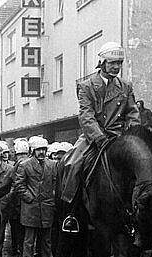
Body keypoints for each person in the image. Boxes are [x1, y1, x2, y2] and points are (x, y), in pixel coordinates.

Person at [60, 41, 141, 232]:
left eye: (119, 63)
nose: (116, 67)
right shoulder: (86, 86)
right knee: (72, 164)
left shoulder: (126, 86)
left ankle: (139, 212)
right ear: (102, 63)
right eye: (112, 63)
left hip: (119, 137)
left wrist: (131, 135)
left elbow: (133, 113)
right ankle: (71, 212)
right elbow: (86, 116)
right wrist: (99, 138)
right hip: (94, 137)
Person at [12, 137, 58, 257]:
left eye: (43, 149)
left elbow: (55, 182)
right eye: (39, 149)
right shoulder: (25, 165)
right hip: (31, 207)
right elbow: (19, 185)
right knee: (29, 239)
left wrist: (52, 197)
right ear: (33, 150)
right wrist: (29, 197)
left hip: (47, 206)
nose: (41, 152)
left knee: (46, 240)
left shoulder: (52, 164)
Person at [0, 138, 30, 257]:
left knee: (18, 231)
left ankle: (18, 253)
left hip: (17, 204)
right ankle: (21, 254)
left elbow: (12, 184)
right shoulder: (29, 162)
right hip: (26, 203)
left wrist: (5, 201)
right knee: (23, 232)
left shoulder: (18, 164)